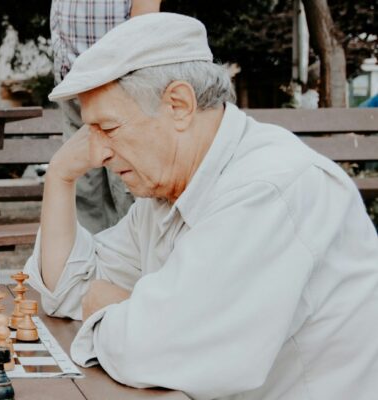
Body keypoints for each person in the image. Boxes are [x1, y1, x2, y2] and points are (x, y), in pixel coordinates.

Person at [23, 13, 378, 399]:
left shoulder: (268, 189)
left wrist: (117, 310)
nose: (97, 152)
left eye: (107, 129)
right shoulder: (168, 188)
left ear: (178, 104)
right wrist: (59, 176)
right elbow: (67, 291)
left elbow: (154, 352)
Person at [49, 0, 162, 233]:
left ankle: (136, 261)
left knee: (127, 185)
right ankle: (89, 262)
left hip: (120, 79)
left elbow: (144, 21)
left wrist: (132, 72)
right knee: (83, 186)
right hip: (72, 80)